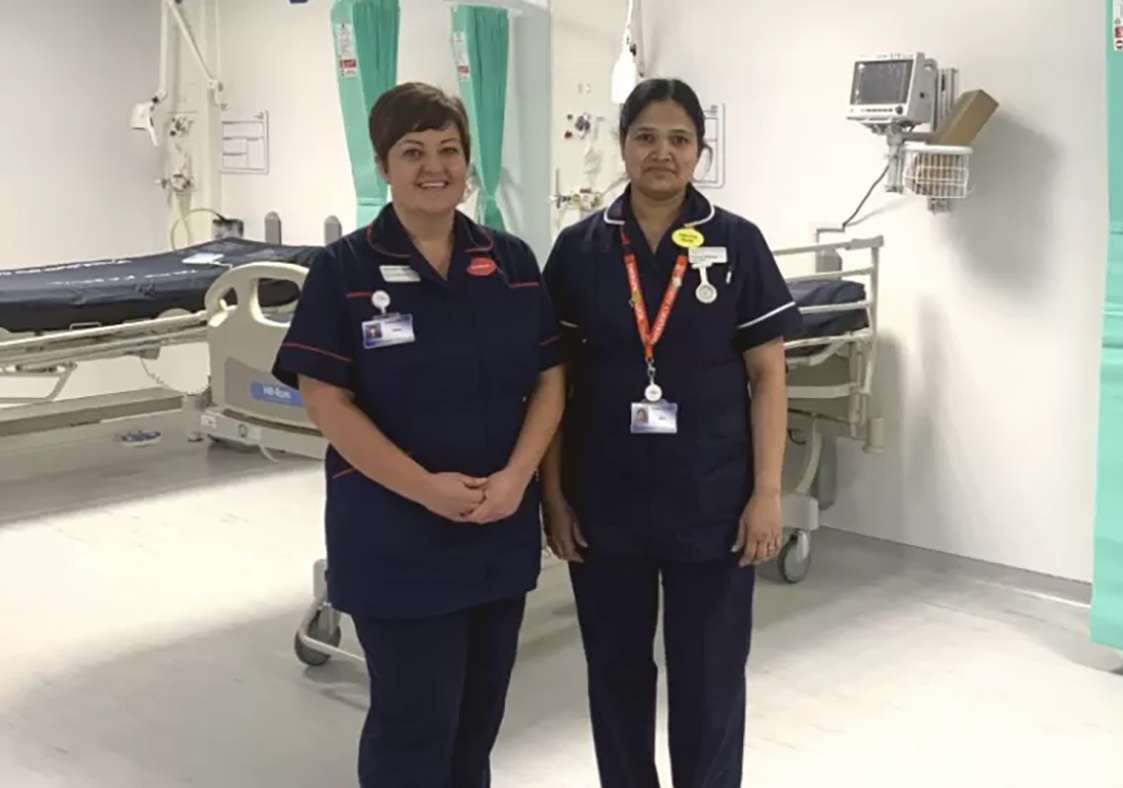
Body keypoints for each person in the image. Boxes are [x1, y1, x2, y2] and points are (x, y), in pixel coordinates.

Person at [270, 82, 564, 788]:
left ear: (468, 162)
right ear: (384, 166)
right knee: (413, 724)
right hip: (394, 536)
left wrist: (520, 477)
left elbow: (552, 379)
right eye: (413, 151)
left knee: (478, 722)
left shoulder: (513, 263)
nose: (434, 167)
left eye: (449, 150)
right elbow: (326, 400)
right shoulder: (343, 269)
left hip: (496, 528)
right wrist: (423, 489)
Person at [540, 77, 802, 788]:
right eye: (646, 137)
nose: (663, 152)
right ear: (622, 145)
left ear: (700, 151)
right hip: (605, 504)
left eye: (679, 139)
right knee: (617, 677)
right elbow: (553, 385)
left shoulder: (737, 243)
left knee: (711, 682)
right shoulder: (581, 249)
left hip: (712, 501)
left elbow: (769, 377)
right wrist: (555, 495)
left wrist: (768, 493)